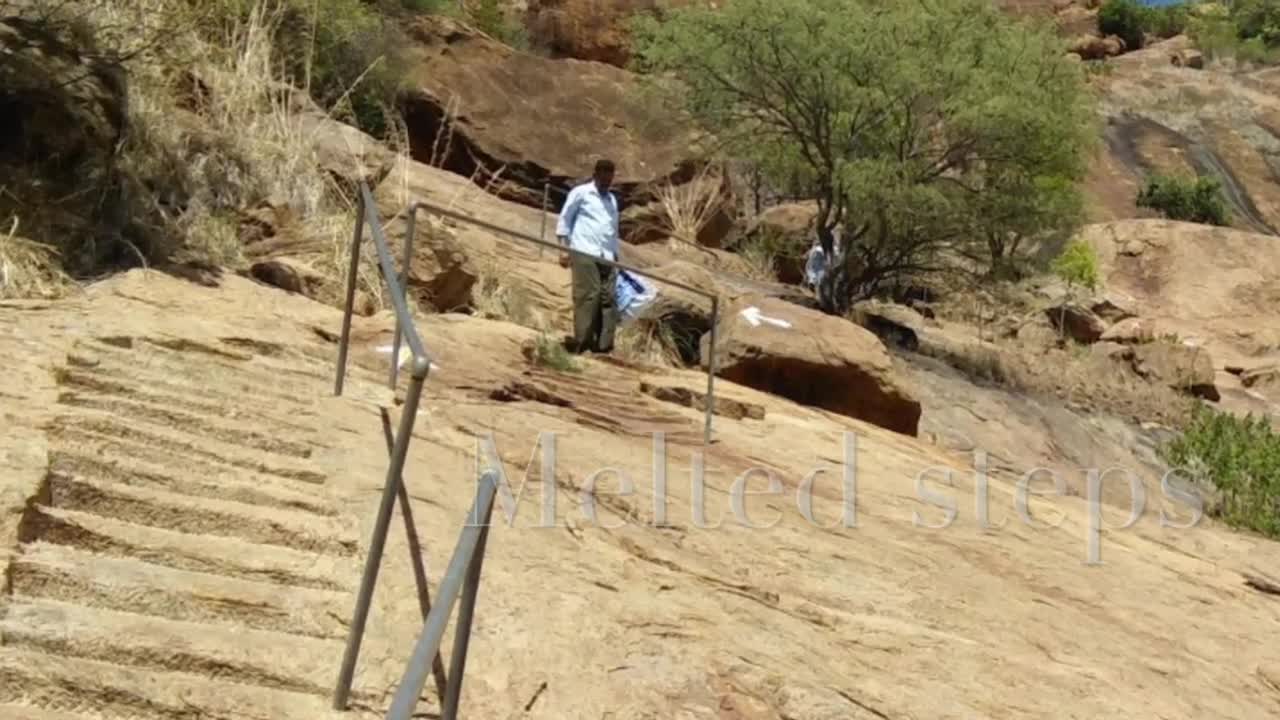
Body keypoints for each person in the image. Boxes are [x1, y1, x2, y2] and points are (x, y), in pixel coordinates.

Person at [556, 159, 622, 354]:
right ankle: (582, 343)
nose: (606, 184)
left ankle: (603, 347)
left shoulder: (612, 200)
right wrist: (563, 249)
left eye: (609, 180)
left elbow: (612, 229)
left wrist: (616, 255)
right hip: (584, 251)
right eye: (603, 179)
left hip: (607, 255)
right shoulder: (581, 193)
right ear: (595, 175)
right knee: (588, 295)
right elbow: (565, 219)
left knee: (609, 299)